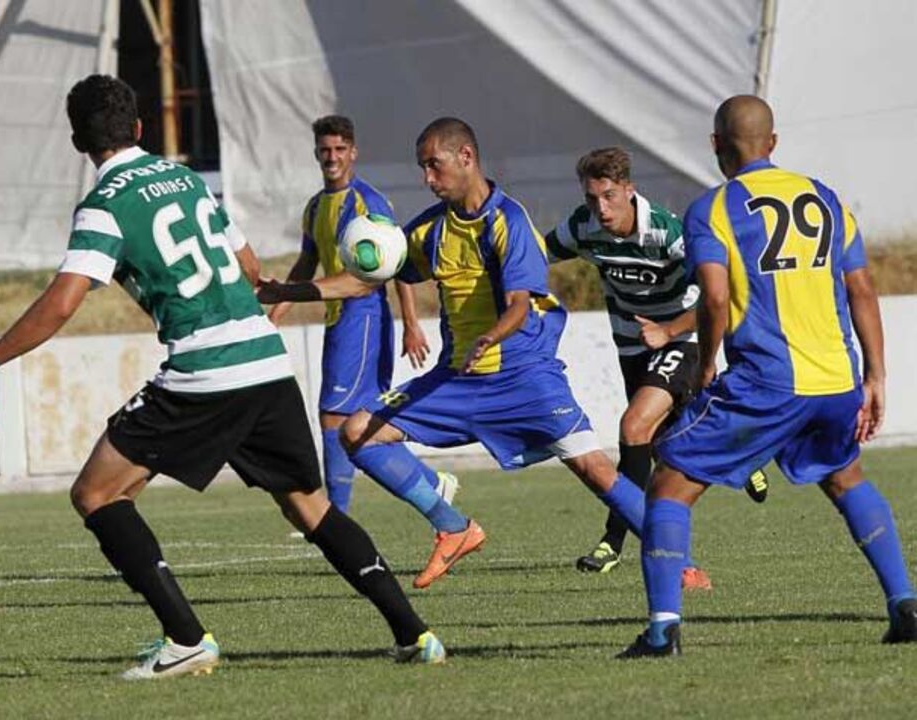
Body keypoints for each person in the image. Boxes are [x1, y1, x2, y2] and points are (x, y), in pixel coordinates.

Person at [0, 75, 446, 679]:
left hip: (204, 371)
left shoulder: (106, 205)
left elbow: (62, 303)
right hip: (266, 363)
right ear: (139, 128)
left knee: (95, 493)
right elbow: (246, 267)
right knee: (310, 506)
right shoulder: (188, 181)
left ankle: (186, 639)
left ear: (78, 141)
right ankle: (415, 634)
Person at [259, 117, 651, 591]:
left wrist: (491, 337)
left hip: (523, 375)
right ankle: (453, 526)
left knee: (594, 469)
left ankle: (677, 558)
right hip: (458, 379)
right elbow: (367, 278)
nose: (427, 178)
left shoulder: (509, 220)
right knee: (358, 433)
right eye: (423, 167)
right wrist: (287, 291)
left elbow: (520, 305)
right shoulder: (429, 230)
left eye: (434, 165)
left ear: (466, 158)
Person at [617, 95, 916, 658]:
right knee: (845, 477)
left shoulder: (713, 209)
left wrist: (705, 363)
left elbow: (714, 295)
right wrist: (877, 377)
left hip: (766, 384)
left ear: (715, 146)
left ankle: (662, 631)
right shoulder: (825, 199)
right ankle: (905, 604)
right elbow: (863, 290)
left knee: (668, 484)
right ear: (772, 143)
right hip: (834, 380)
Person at [545, 148, 764, 584]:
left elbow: (717, 296)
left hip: (683, 339)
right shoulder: (582, 228)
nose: (601, 208)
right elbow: (532, 255)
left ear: (629, 189)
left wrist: (668, 330)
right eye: (592, 198)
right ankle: (738, 446)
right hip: (631, 348)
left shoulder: (667, 233)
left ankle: (613, 540)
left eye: (609, 196)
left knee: (633, 428)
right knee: (666, 444)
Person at [269, 115, 457, 513]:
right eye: (325, 150)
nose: (332, 157)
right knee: (360, 422)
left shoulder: (366, 202)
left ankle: (336, 517)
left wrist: (410, 324)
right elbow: (308, 260)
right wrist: (277, 311)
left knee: (334, 420)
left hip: (364, 316)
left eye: (339, 149)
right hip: (338, 319)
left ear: (353, 152)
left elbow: (396, 259)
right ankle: (432, 482)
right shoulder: (317, 206)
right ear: (316, 153)